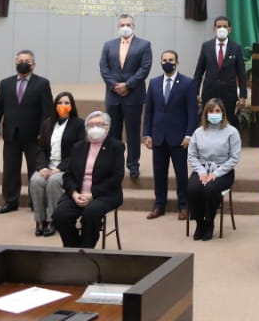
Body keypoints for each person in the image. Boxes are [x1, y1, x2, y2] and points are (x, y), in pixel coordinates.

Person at [0, 49, 54, 214]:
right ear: (16, 64)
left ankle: (35, 201)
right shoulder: (5, 83)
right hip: (11, 134)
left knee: (35, 170)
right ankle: (10, 201)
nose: (23, 63)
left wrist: (44, 133)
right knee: (10, 170)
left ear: (33, 65)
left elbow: (47, 112)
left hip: (34, 136)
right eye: (20, 61)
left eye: (27, 61)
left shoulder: (42, 83)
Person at [52, 110, 125, 249]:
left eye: (99, 124)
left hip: (104, 194)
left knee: (90, 214)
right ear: (86, 129)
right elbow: (68, 175)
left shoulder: (116, 147)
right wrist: (74, 194)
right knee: (59, 215)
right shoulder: (78, 147)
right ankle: (73, 248)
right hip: (77, 193)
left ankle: (86, 249)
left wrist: (92, 195)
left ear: (107, 127)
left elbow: (117, 177)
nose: (95, 128)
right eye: (91, 125)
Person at [143, 50, 198, 221]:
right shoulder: (153, 83)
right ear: (160, 62)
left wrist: (189, 135)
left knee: (181, 174)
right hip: (158, 136)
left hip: (179, 138)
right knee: (159, 173)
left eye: (171, 60)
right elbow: (149, 111)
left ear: (177, 62)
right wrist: (147, 134)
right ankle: (159, 205)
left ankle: (183, 206)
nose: (168, 62)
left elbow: (192, 113)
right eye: (165, 60)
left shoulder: (188, 83)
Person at [99, 13, 152, 180]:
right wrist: (115, 85)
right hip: (113, 95)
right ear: (118, 27)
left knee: (133, 132)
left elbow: (145, 68)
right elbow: (104, 67)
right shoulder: (108, 45)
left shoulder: (144, 45)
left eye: (128, 24)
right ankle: (114, 165)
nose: (125, 27)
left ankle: (133, 165)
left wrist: (128, 85)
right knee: (113, 132)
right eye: (122, 24)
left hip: (133, 95)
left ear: (133, 26)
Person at [29, 91, 86, 237]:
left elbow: (77, 152)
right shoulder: (48, 123)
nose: (63, 106)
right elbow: (40, 149)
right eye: (60, 103)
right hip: (48, 165)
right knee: (35, 180)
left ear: (72, 106)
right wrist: (42, 167)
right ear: (55, 106)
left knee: (53, 182)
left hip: (66, 168)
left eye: (66, 103)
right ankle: (40, 220)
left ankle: (54, 219)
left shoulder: (78, 124)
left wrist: (59, 169)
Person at [186, 98, 242, 241]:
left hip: (223, 171)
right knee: (193, 188)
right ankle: (200, 222)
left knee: (210, 189)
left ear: (223, 113)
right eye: (211, 111)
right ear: (206, 114)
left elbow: (234, 158)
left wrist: (216, 173)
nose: (214, 114)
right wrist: (202, 172)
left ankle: (209, 222)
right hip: (202, 169)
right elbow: (192, 156)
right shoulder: (198, 132)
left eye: (217, 111)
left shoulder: (232, 132)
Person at [193, 15, 248, 121]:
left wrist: (242, 96)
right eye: (219, 26)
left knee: (227, 122)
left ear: (230, 29)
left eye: (225, 26)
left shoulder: (236, 48)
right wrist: (195, 92)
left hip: (229, 95)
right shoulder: (206, 46)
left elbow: (241, 74)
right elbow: (199, 72)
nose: (222, 29)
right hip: (209, 93)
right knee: (208, 122)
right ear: (214, 29)